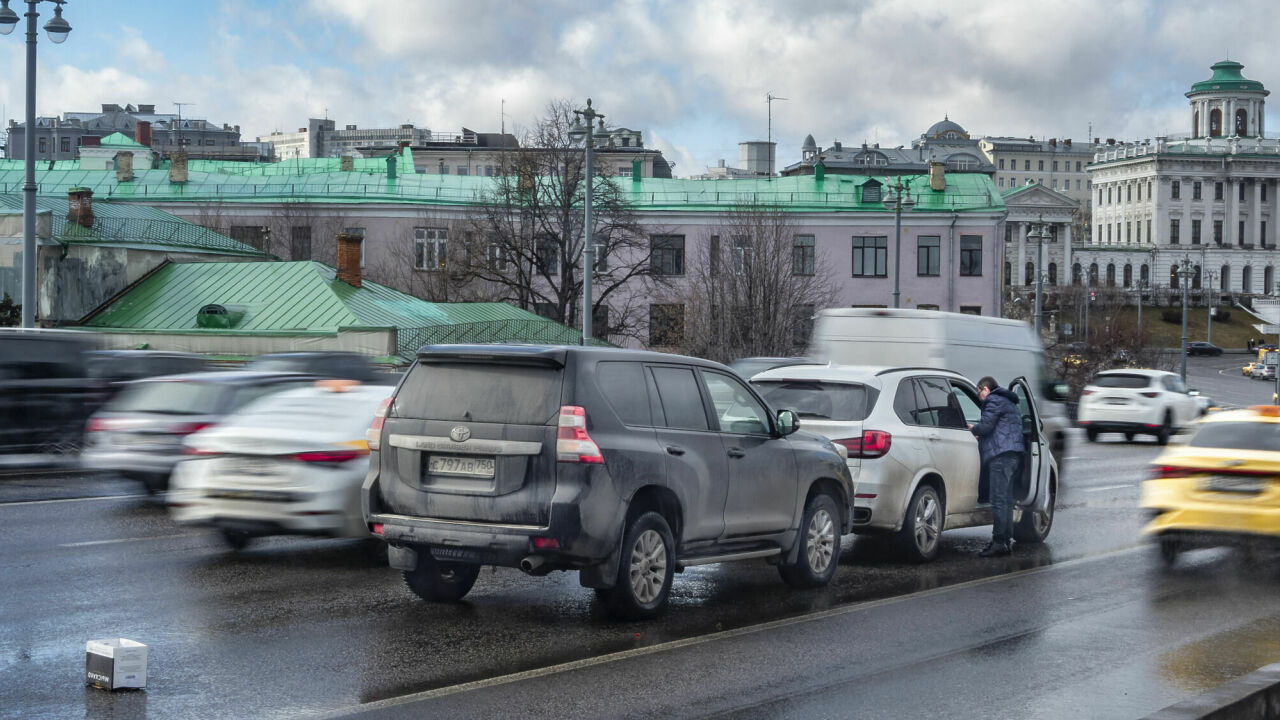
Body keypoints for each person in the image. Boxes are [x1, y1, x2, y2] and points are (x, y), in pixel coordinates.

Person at [969, 376, 1025, 557]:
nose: (979, 397)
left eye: (979, 392)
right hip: (1013, 455)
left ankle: (999, 541)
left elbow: (986, 426)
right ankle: (1006, 540)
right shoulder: (1009, 402)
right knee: (1007, 500)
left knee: (998, 500)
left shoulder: (993, 400)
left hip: (1000, 456)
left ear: (985, 389)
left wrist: (972, 429)